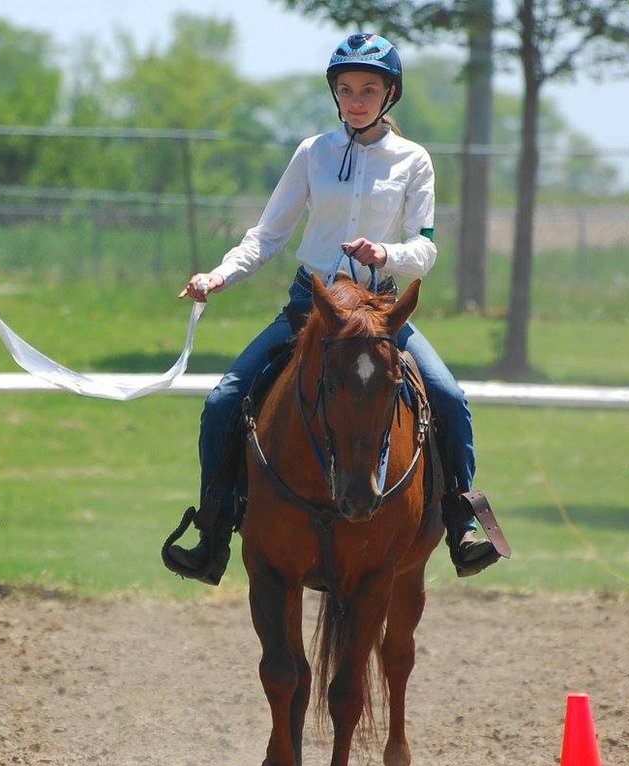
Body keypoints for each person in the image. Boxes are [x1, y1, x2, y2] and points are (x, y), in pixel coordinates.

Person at [162, 33, 505, 585]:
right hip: (310, 309)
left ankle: (462, 525)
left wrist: (385, 252)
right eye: (346, 89)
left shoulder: (414, 161)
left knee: (450, 398)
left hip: (379, 318)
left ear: (389, 94)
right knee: (223, 399)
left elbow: (425, 250)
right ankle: (214, 527)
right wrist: (218, 275)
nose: (356, 99)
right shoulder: (311, 152)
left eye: (369, 89)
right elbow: (266, 235)